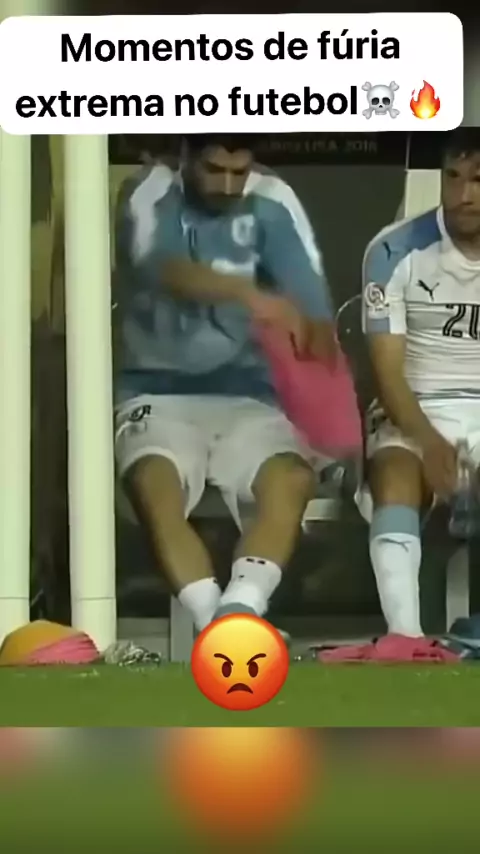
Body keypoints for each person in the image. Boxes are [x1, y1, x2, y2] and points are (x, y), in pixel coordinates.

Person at [113, 133, 337, 633]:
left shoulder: (273, 197)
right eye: (215, 170)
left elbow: (308, 292)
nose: (229, 185)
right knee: (154, 485)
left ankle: (237, 614)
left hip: (251, 396)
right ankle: (217, 622)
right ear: (186, 157)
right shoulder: (149, 189)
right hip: (157, 393)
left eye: (240, 172)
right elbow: (163, 268)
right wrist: (248, 293)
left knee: (291, 480)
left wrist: (313, 336)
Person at [360, 128, 480, 639]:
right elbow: (388, 375)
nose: (463, 194)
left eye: (478, 180)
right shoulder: (393, 250)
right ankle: (404, 640)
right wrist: (431, 444)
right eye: (453, 177)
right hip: (414, 407)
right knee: (395, 477)